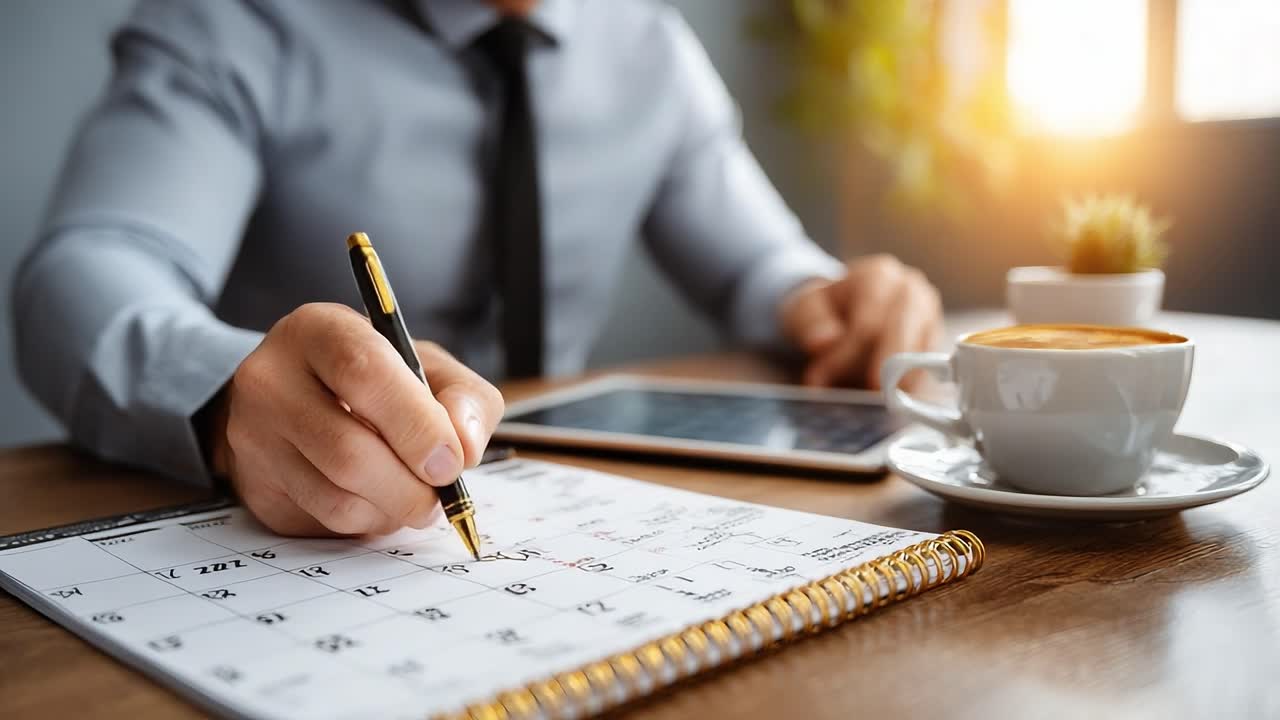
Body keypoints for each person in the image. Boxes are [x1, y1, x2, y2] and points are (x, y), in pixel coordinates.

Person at [12, 0, 942, 538]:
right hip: (306, 533)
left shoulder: (648, 42)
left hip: (581, 520)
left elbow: (756, 264)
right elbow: (87, 272)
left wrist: (829, 299)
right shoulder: (234, 22)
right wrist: (220, 393)